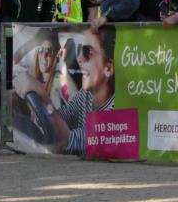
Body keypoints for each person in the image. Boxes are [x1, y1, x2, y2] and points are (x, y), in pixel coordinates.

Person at [13, 26, 116, 156]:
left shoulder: (116, 109)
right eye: (79, 50)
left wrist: (45, 99)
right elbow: (63, 117)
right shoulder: (86, 95)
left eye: (87, 52)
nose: (79, 58)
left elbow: (68, 141)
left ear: (108, 68)